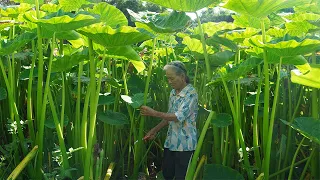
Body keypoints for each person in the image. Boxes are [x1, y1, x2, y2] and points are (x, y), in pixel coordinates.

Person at [140, 61, 198, 180]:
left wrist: (154, 113)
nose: (169, 82)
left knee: (182, 177)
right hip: (171, 142)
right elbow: (168, 116)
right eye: (167, 79)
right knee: (167, 174)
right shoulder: (173, 92)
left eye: (172, 78)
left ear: (182, 76)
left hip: (185, 145)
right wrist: (154, 130)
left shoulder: (191, 93)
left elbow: (177, 116)